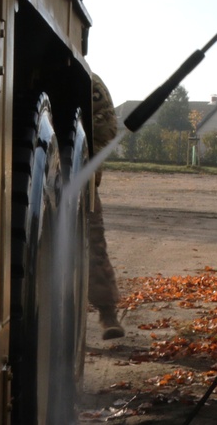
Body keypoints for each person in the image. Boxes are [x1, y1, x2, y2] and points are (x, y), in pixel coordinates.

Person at [90, 73, 125, 339]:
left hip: (78, 175)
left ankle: (108, 314)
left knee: (93, 246)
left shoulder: (88, 82)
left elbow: (107, 127)